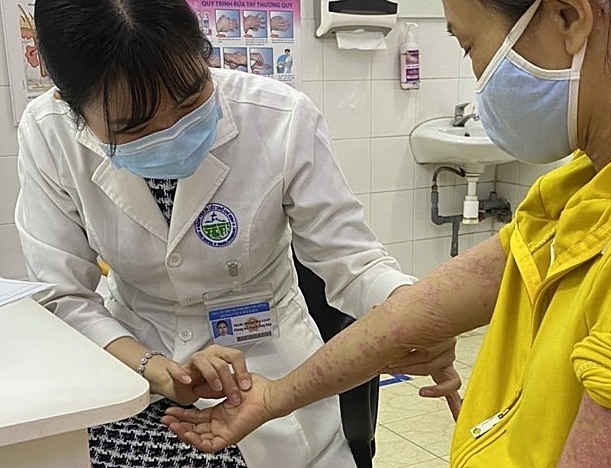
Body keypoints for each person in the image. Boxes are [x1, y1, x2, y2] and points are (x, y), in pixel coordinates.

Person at [163, 0, 611, 466]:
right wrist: (272, 398)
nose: (480, 77)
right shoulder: (604, 177)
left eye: (469, 45)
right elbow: (423, 310)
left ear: (569, 18)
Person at [16, 0, 459, 467]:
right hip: (133, 361)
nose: (173, 131)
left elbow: (353, 263)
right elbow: (64, 295)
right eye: (137, 127)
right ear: (69, 104)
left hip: (264, 366)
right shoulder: (48, 133)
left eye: (191, 100)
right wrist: (153, 369)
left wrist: (415, 314)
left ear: (203, 52)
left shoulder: (279, 116)